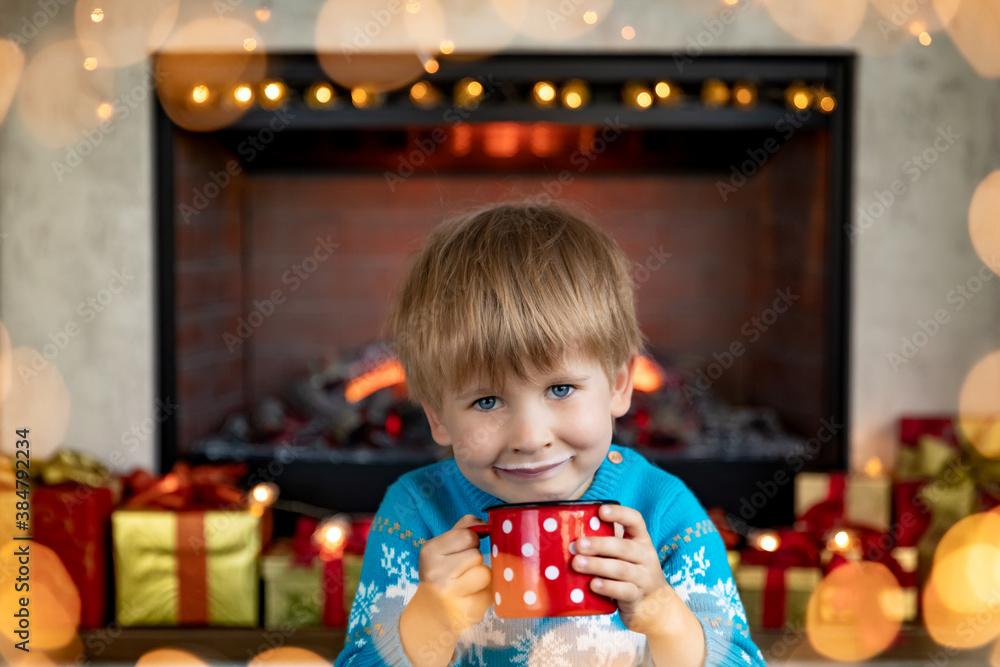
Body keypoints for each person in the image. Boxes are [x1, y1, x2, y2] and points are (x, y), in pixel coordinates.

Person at [335, 202, 765, 667]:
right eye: (486, 401)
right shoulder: (416, 512)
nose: (530, 436)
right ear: (438, 417)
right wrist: (426, 625)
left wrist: (663, 615)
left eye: (560, 389)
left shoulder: (662, 509)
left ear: (620, 385)